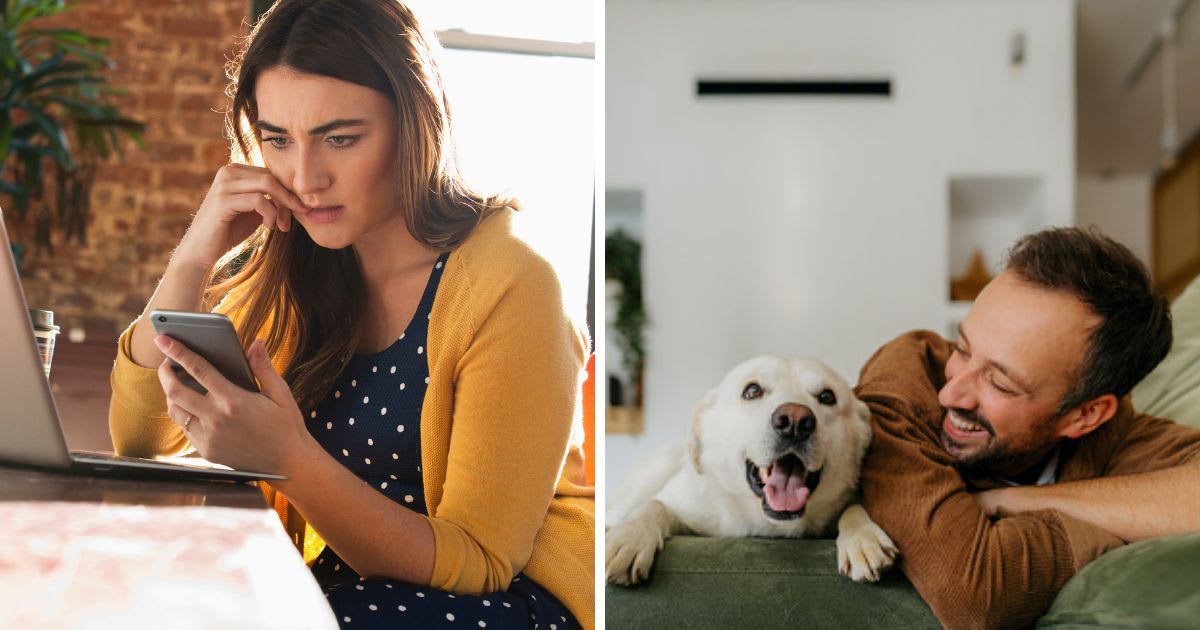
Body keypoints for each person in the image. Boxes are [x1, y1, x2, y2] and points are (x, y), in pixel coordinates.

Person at [106, 1, 594, 628]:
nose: (306, 178)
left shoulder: (514, 281)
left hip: (504, 598)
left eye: (340, 138)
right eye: (278, 140)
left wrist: (289, 459)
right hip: (352, 592)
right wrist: (194, 254)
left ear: (416, 125)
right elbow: (141, 439)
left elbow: (482, 563)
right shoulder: (303, 261)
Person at [856, 227, 1200, 629]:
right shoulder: (905, 377)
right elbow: (975, 595)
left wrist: (1012, 500)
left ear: (1085, 416)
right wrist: (1103, 535)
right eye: (962, 348)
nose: (951, 393)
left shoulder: (1119, 437)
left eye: (1000, 383)